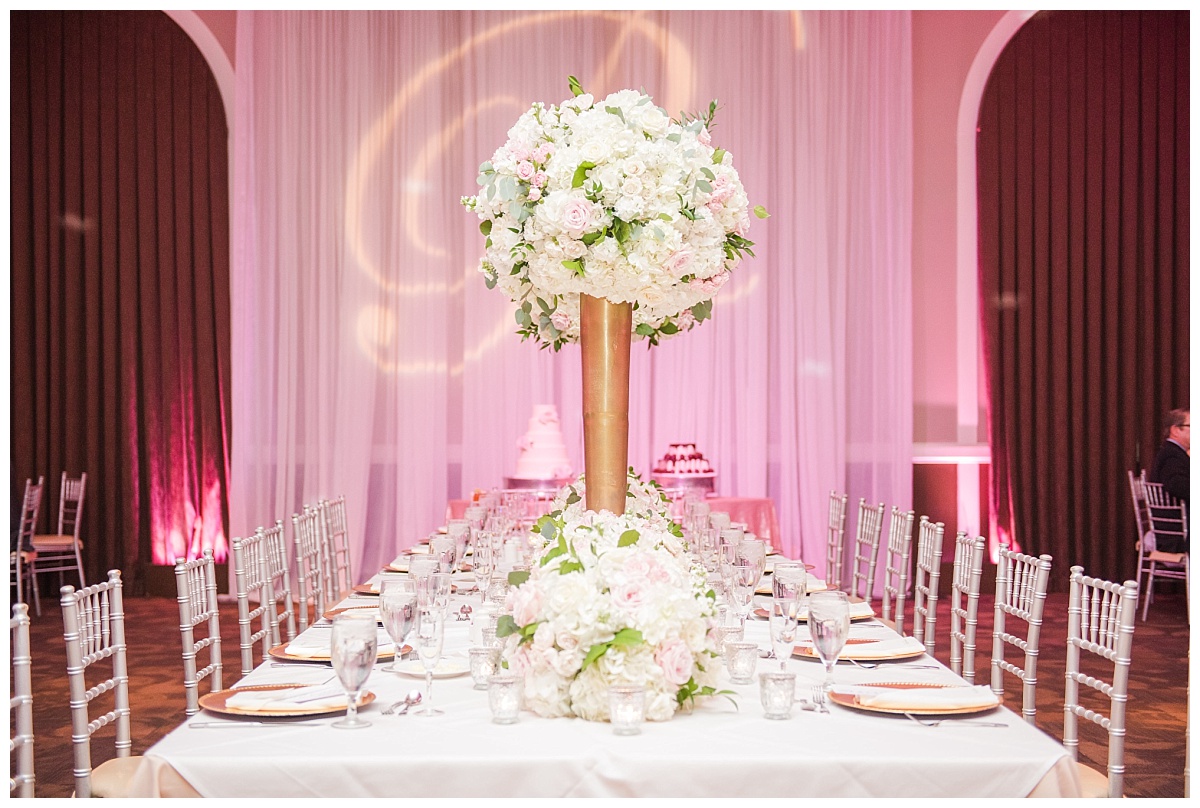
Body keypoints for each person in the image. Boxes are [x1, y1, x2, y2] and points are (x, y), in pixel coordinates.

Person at [1149, 407, 1190, 505]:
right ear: (1175, 430)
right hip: (1177, 515)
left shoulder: (1172, 451)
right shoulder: (1171, 455)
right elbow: (1177, 485)